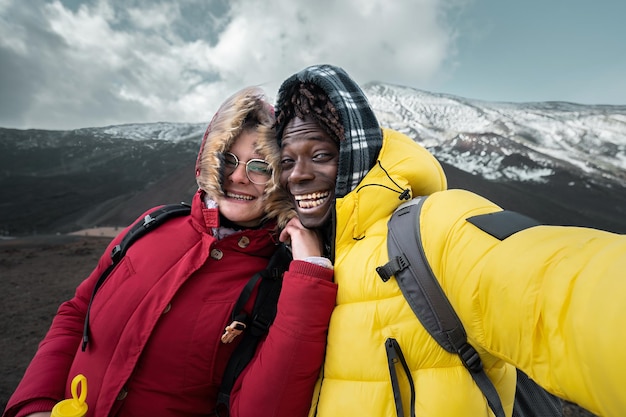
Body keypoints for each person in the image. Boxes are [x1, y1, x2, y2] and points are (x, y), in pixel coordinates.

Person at [273, 64, 626, 417]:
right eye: (287, 161)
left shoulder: (430, 228)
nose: (298, 174)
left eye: (320, 155)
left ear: (354, 155)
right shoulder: (292, 256)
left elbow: (552, 287)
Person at [3, 86, 337, 417]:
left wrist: (310, 273)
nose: (237, 177)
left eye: (261, 167)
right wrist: (36, 404)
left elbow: (265, 407)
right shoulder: (151, 227)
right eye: (227, 160)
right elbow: (77, 315)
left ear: (283, 177)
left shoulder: (281, 279)